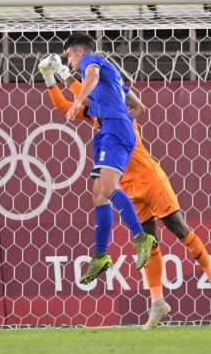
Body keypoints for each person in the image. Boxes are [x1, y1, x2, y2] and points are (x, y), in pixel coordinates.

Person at [38, 53, 211, 330]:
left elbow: (88, 92)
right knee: (150, 242)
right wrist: (49, 78)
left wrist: (63, 73)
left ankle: (208, 268)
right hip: (128, 186)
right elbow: (62, 104)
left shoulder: (119, 115)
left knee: (178, 228)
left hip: (150, 178)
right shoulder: (98, 114)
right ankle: (157, 302)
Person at [47, 33, 156, 285]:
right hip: (111, 129)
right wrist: (118, 119)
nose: (70, 61)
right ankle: (100, 255)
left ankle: (142, 238)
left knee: (108, 187)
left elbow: (92, 76)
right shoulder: (114, 80)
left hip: (114, 130)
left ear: (80, 52)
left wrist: (78, 103)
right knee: (98, 193)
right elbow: (139, 107)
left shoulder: (91, 61)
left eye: (69, 55)